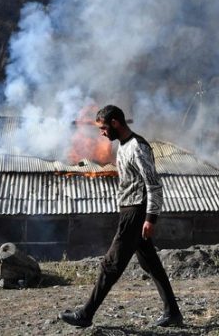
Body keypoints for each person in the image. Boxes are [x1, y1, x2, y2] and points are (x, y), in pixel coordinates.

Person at [59, 105, 183, 328]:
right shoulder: (123, 147)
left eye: (104, 128)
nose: (102, 133)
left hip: (136, 212)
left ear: (115, 123)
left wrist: (150, 218)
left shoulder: (138, 147)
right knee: (151, 264)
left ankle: (85, 314)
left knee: (110, 265)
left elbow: (153, 184)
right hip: (128, 210)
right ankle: (173, 312)